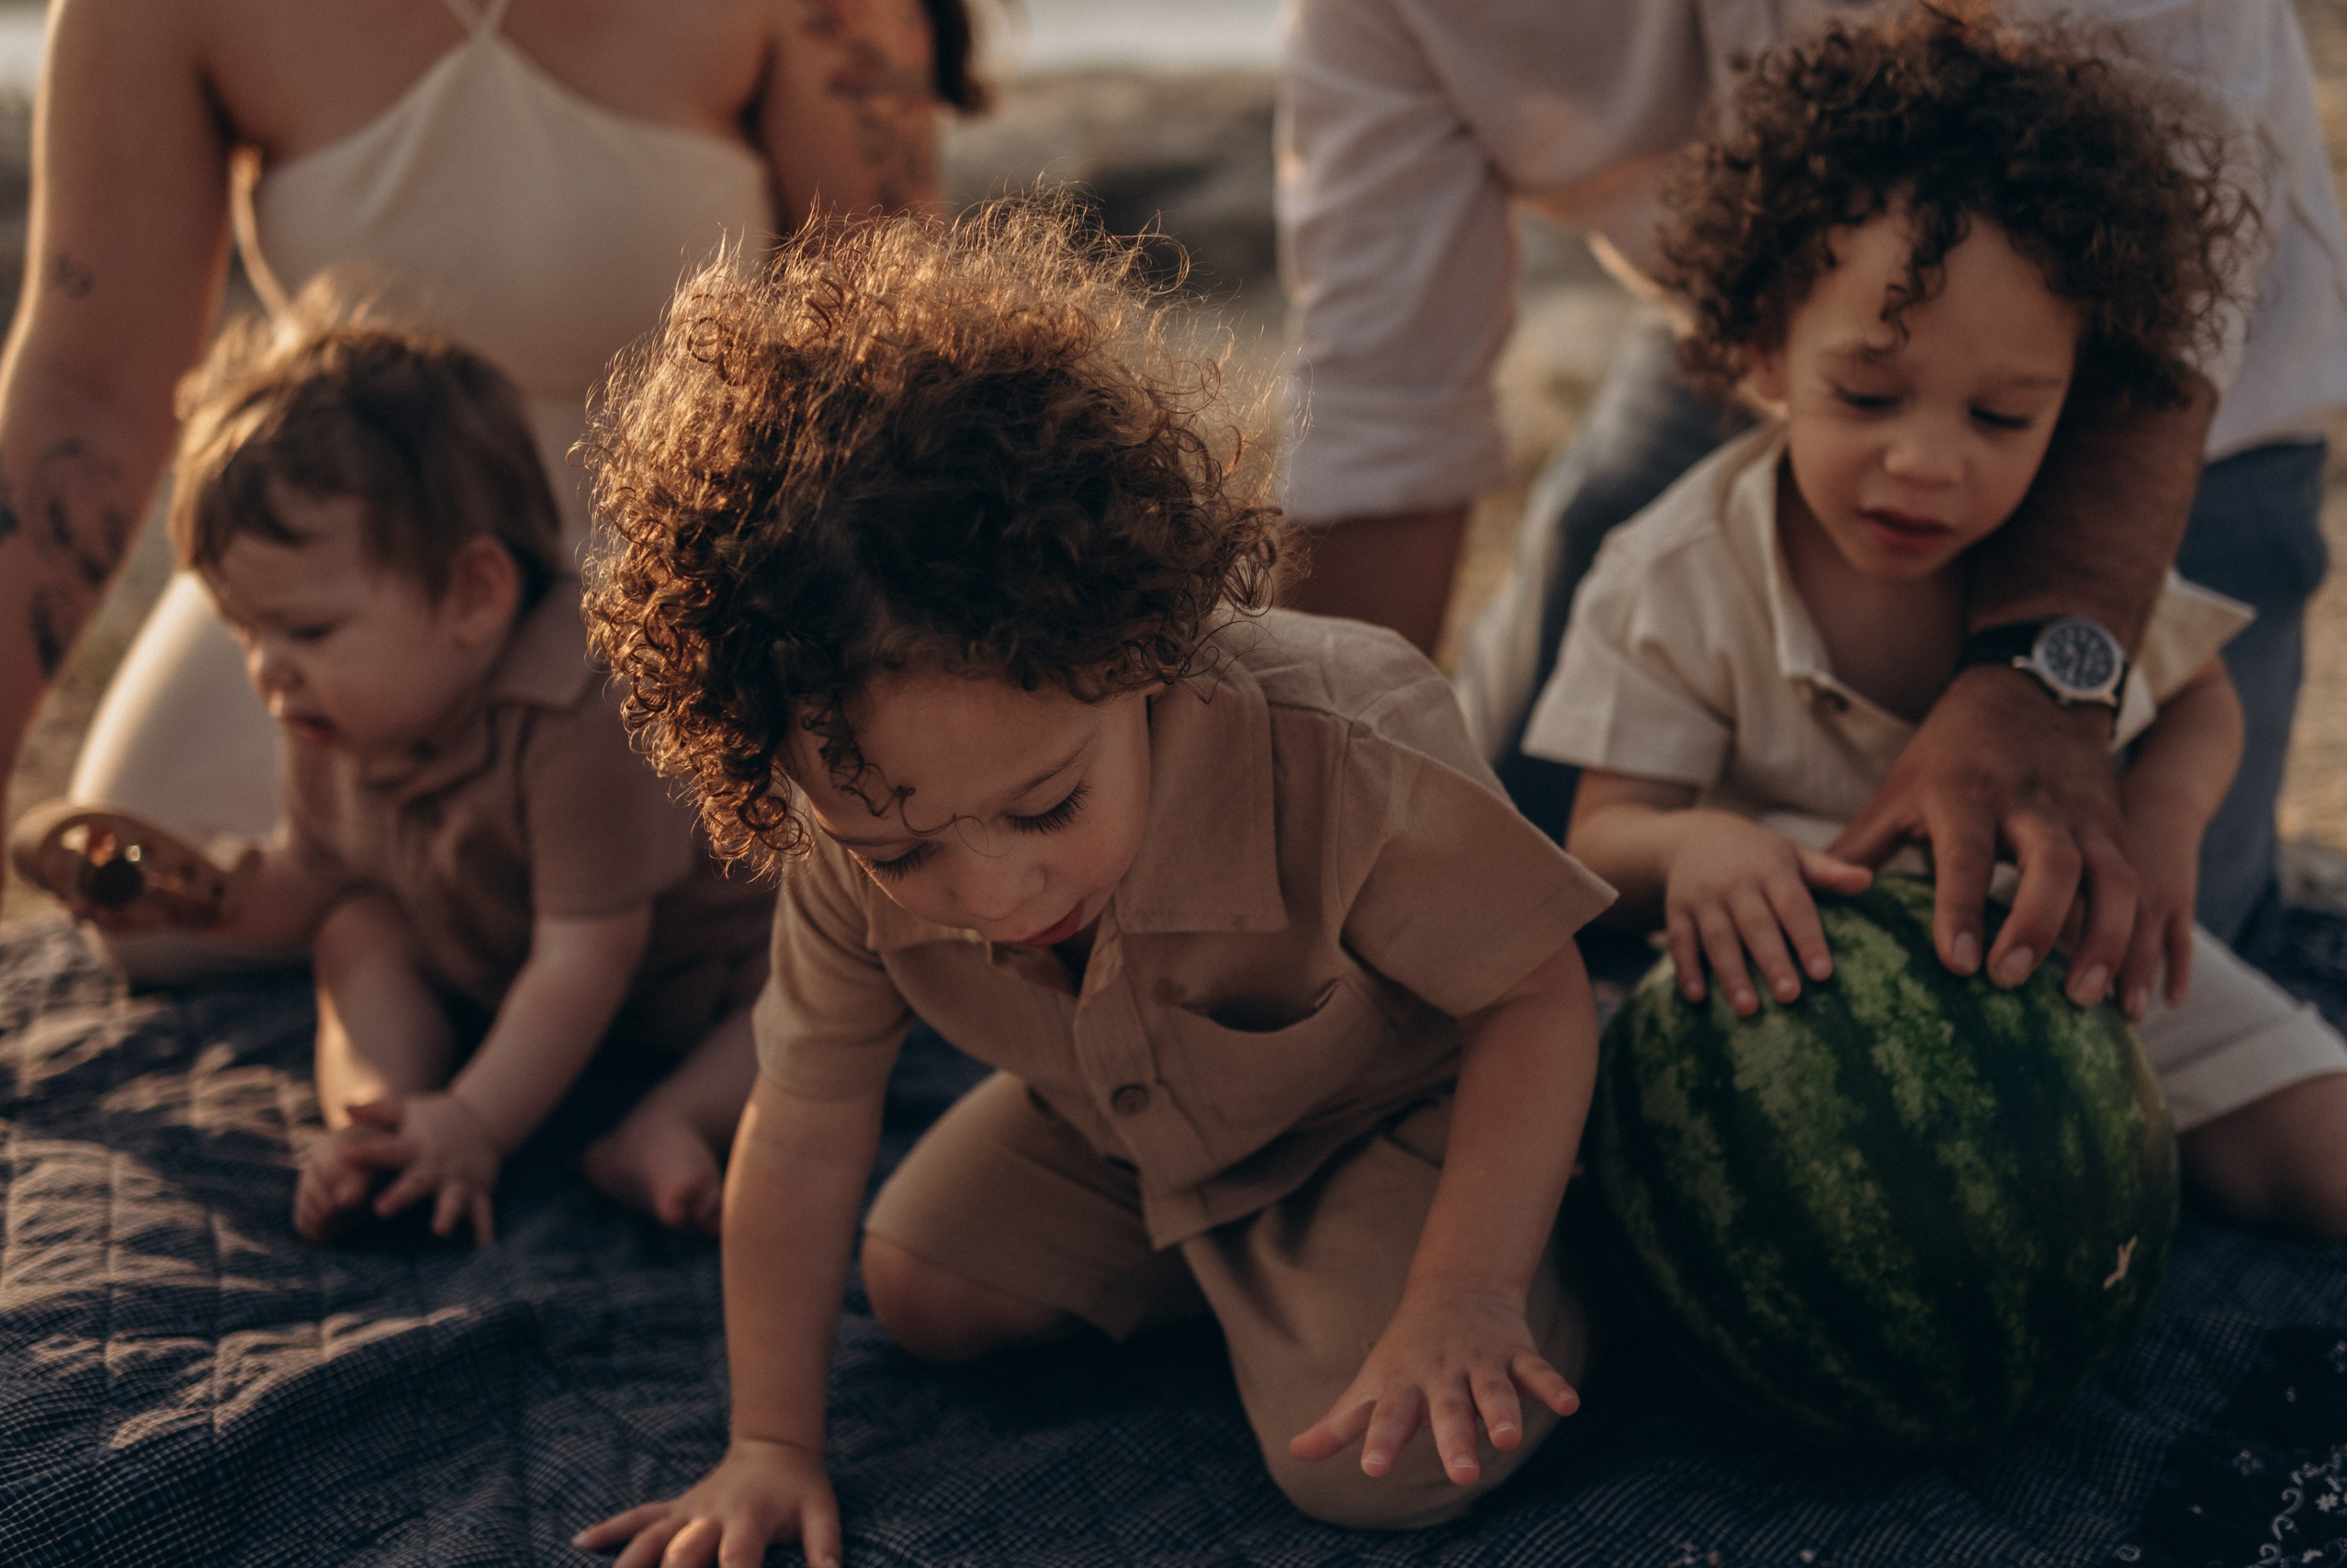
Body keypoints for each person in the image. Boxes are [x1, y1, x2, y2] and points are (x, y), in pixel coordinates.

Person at [570, 205, 1617, 1567]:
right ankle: (1259, 1282)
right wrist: (771, 1440)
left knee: (1389, 1472)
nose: (996, 890)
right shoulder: (847, 823)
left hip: (1391, 1117)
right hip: (1121, 1135)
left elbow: (1539, 1002)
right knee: (919, 1284)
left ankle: (1549, 1256)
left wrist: (1465, 1292)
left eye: (1046, 804)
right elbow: (808, 1118)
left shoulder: (1349, 743)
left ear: (1147, 642)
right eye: (905, 852)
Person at [1277, 0, 2347, 998]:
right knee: (1495, 867)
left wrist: (2049, 684)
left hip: (2161, 407)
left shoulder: (2115, 349)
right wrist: (1295, 828)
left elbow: (2164, 162)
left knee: (2138, 953)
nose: (1926, 466)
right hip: (1766, 336)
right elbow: (1380, 412)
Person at [1547, 10, 2347, 1239]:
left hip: (2072, 952)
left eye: (2003, 417)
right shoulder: (1677, 570)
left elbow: (2195, 693)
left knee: (2318, 1147)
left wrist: (2166, 818)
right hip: (1805, 998)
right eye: (1869, 394)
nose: (1927, 465)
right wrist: (1698, 847)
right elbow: (1604, 834)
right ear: (1764, 351)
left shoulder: (2038, 561)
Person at [0, 0, 976, 966]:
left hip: (691, 559)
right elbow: (86, 397)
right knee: (156, 912)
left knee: (847, 881)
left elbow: (894, 367)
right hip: (350, 569)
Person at [21, 311, 779, 1242]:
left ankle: (670, 1120)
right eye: (246, 631)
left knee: (804, 1000)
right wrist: (194, 899)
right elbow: (318, 878)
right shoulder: (334, 712)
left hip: (685, 978)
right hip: (502, 959)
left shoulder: (585, 711)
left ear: (473, 593)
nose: (268, 668)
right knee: (355, 927)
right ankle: (379, 1119)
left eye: (306, 631)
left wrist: (479, 1125)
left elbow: (586, 962)